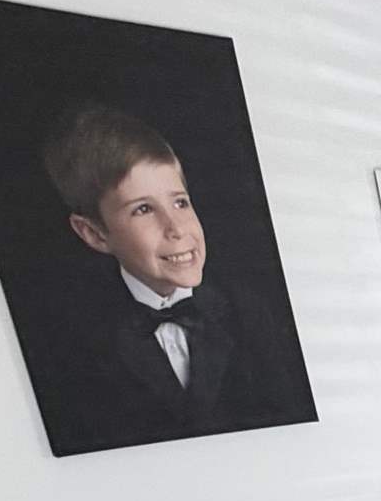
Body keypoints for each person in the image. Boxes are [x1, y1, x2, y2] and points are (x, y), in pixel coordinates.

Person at [34, 103, 311, 455]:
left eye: (180, 203)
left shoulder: (250, 312)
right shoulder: (75, 340)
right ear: (94, 234)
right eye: (143, 209)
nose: (177, 229)